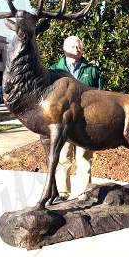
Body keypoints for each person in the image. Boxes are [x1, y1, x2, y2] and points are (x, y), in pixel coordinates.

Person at [48, 36, 100, 200]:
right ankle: (63, 192)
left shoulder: (91, 70)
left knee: (84, 157)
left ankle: (85, 192)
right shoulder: (54, 70)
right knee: (63, 156)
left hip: (85, 122)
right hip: (62, 122)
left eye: (79, 47)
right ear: (64, 48)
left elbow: (100, 96)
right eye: (73, 46)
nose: (76, 49)